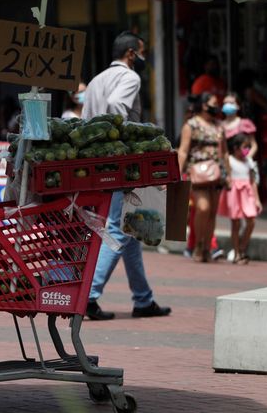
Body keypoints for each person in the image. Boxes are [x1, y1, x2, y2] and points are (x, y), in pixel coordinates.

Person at [83, 31, 171, 320]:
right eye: (142, 52)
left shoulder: (96, 80)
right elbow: (116, 108)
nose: (143, 58)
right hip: (121, 163)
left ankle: (143, 300)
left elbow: (87, 122)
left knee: (131, 230)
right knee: (120, 229)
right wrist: (131, 140)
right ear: (131, 53)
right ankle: (90, 296)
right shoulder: (130, 78)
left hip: (98, 164)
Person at [178, 92, 230, 263]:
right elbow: (183, 150)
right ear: (204, 105)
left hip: (216, 174)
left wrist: (228, 174)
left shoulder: (219, 126)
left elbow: (224, 152)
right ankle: (198, 244)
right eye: (214, 103)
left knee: (212, 213)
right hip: (196, 173)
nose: (217, 106)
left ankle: (207, 247)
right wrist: (176, 174)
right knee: (202, 208)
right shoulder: (191, 125)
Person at [217, 133, 261, 265]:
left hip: (247, 194)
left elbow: (253, 181)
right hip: (234, 194)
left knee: (251, 221)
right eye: (244, 146)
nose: (246, 150)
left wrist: (257, 200)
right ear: (235, 148)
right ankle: (237, 254)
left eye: (248, 147)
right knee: (235, 224)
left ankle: (242, 247)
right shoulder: (229, 160)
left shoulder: (249, 161)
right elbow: (223, 158)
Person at [221, 93, 258, 158]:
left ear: (238, 106)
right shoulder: (219, 125)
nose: (228, 105)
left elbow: (253, 145)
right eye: (225, 103)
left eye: (231, 103)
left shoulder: (246, 123)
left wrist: (247, 160)